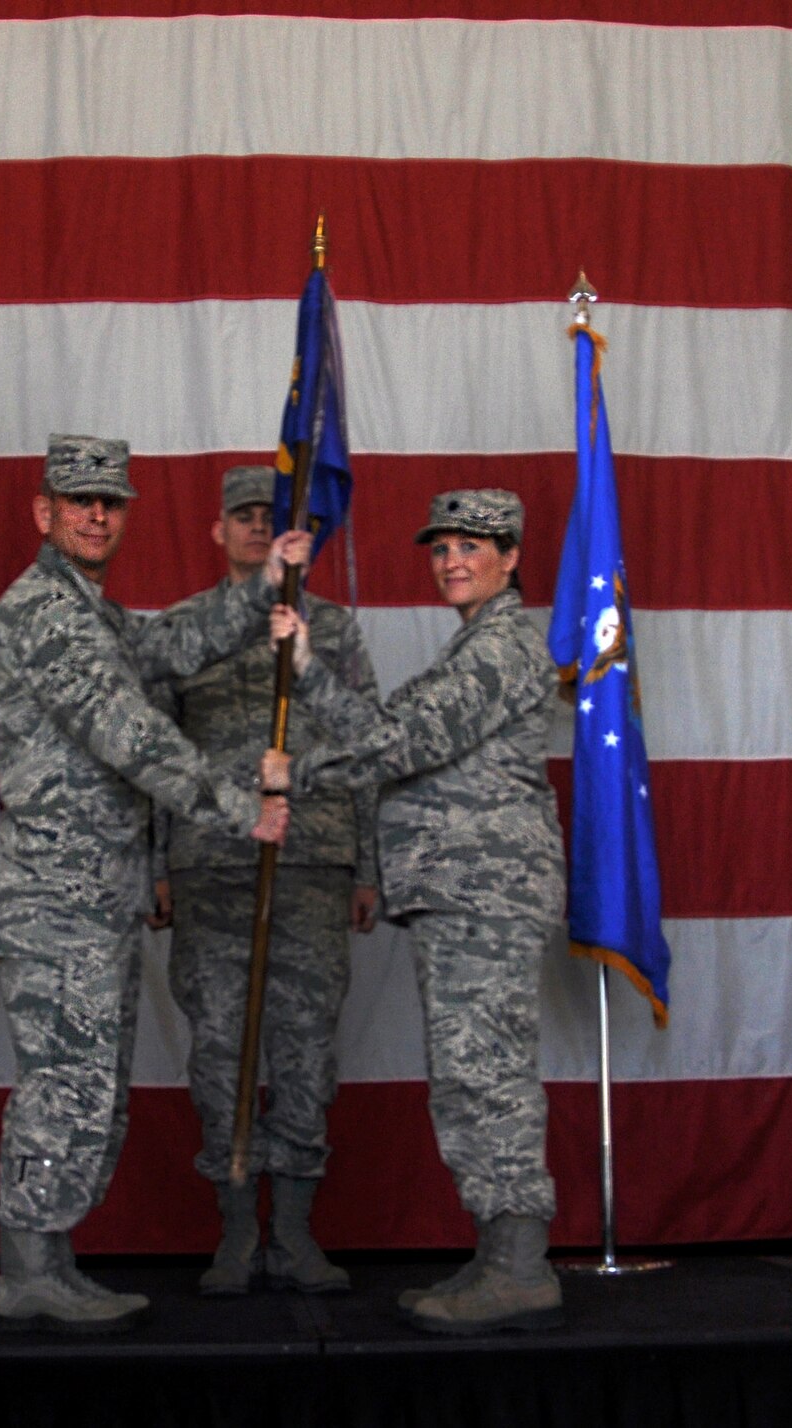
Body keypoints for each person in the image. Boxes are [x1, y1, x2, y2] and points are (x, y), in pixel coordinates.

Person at [0, 434, 309, 1333]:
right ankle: (29, 1269)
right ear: (42, 513)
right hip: (56, 888)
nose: (97, 515)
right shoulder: (44, 613)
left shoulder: (91, 611)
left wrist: (258, 589)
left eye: (111, 502)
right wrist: (237, 804)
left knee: (88, 1079)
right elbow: (127, 729)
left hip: (91, 888)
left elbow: (165, 646)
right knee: (65, 1080)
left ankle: (50, 1262)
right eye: (79, 501)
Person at [260, 489, 565, 1335]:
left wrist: (297, 774)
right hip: (461, 893)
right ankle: (499, 1253)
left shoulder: (502, 650)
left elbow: (401, 742)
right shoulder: (473, 647)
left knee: (486, 1078)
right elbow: (394, 728)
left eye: (473, 545)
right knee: (470, 1076)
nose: (452, 559)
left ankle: (519, 1265)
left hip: (485, 893)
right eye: (441, 547)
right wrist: (314, 669)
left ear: (511, 559)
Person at [147, 465, 379, 1295]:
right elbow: (152, 757)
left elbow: (369, 751)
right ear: (218, 531)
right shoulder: (178, 632)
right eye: (242, 516)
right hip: (209, 864)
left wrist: (367, 867)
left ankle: (297, 1232)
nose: (255, 528)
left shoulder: (337, 631)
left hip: (314, 861)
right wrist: (155, 869)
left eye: (269, 517)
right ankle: (237, 1232)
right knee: (219, 1048)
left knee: (307, 1045)